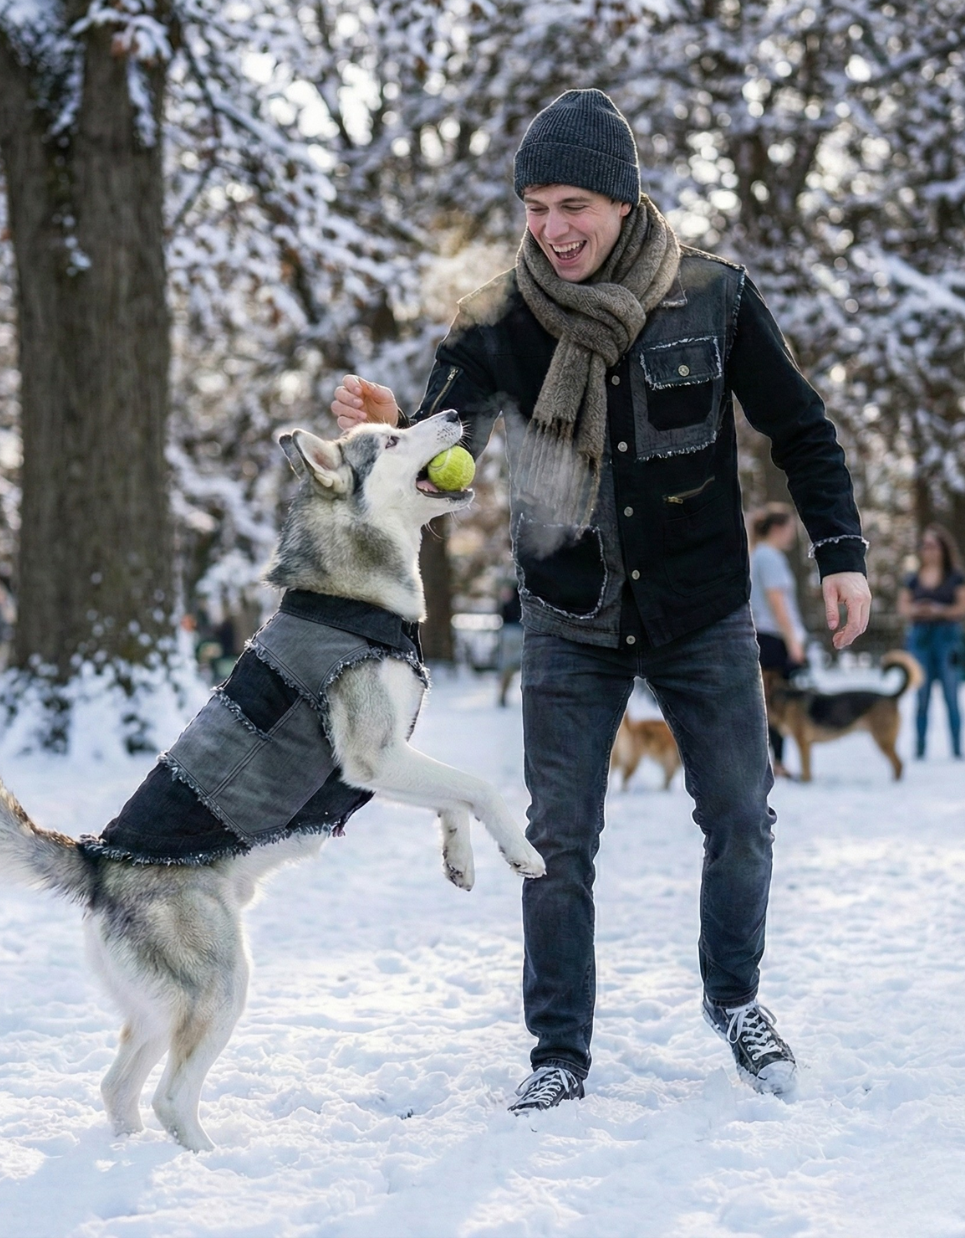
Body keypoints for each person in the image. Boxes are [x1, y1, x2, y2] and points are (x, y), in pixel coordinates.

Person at [332, 89, 870, 1110]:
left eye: (572, 203)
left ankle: (736, 998)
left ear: (623, 201)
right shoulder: (497, 316)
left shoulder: (714, 296)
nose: (552, 228)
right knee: (559, 834)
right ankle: (558, 1052)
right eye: (534, 206)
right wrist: (395, 431)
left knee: (741, 818)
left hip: (702, 608)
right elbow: (448, 464)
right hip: (572, 614)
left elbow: (801, 429)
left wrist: (839, 553)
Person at [749, 504, 808, 777]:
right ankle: (778, 762)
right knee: (776, 702)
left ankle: (775, 761)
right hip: (773, 637)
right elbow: (777, 602)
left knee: (769, 701)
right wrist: (793, 641)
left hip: (768, 635)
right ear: (777, 528)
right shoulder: (769, 557)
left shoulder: (758, 555)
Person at [897, 524, 965, 759]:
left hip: (947, 639)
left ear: (943, 548)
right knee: (921, 696)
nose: (929, 551)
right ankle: (920, 748)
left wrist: (939, 610)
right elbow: (903, 606)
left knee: (951, 696)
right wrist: (917, 609)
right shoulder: (913, 578)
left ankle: (957, 749)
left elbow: (961, 607)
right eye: (924, 546)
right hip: (920, 640)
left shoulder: (955, 577)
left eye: (933, 546)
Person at [496, 580, 524, 707]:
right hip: (520, 631)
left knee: (507, 667)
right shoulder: (526, 596)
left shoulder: (508, 597)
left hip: (508, 632)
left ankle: (502, 694)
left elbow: (502, 613)